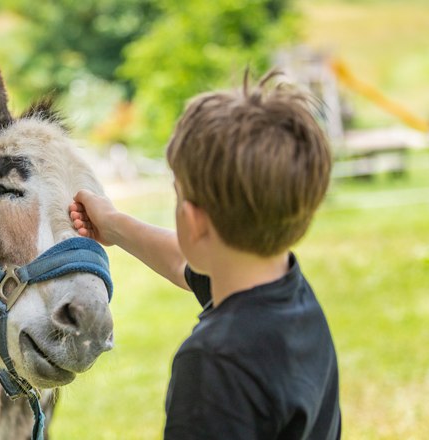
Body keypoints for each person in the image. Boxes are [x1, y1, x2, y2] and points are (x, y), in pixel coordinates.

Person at [69, 71, 341, 439]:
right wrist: (114, 225)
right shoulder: (291, 296)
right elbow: (185, 262)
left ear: (194, 220)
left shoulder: (214, 363)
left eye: (178, 195)